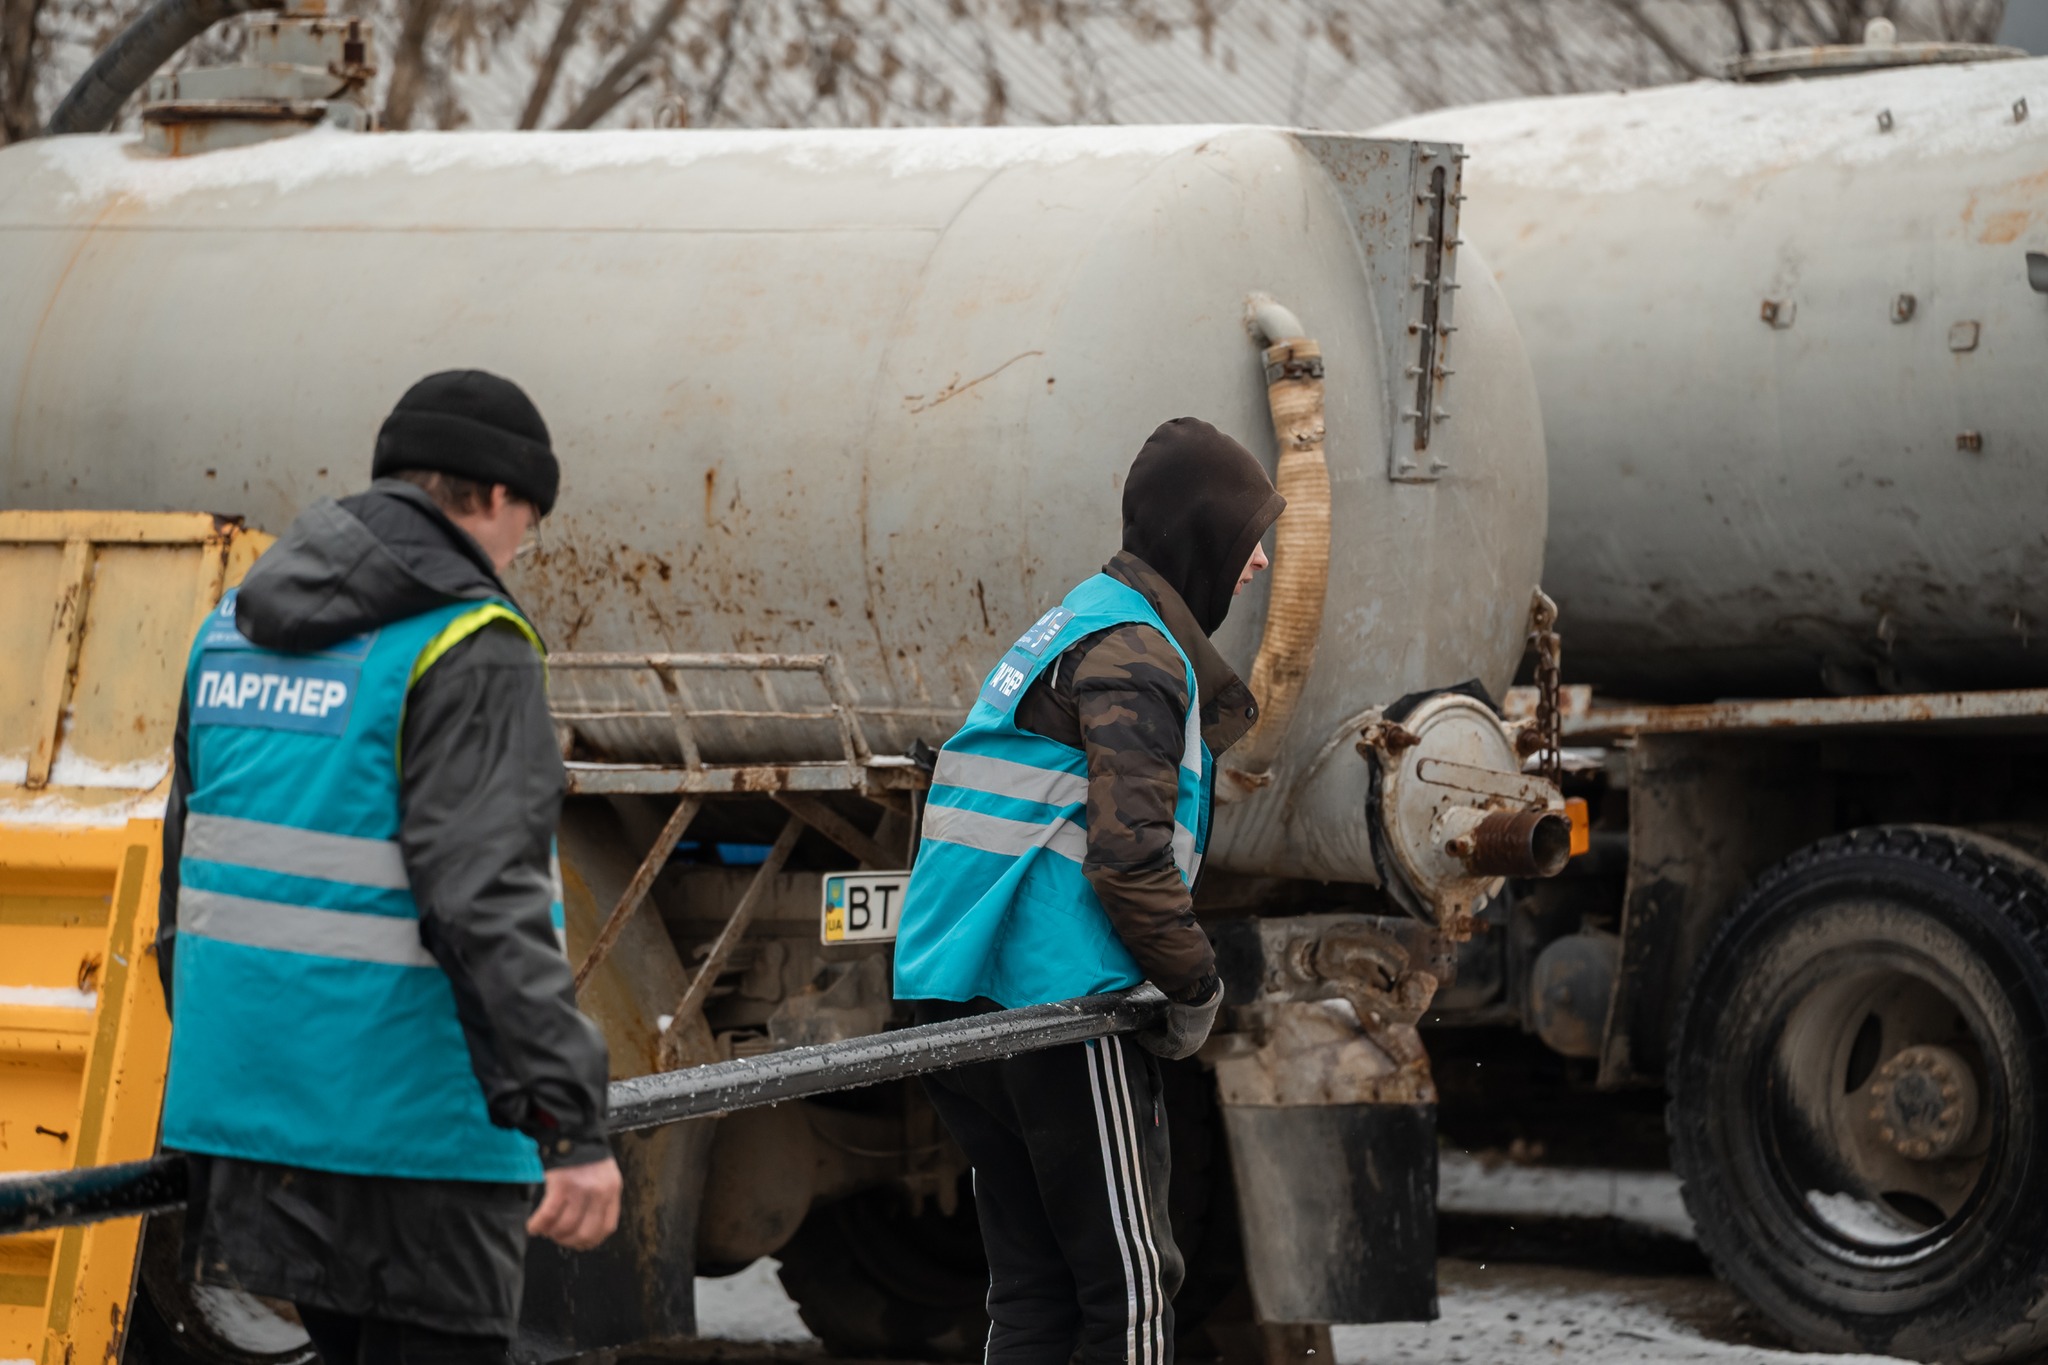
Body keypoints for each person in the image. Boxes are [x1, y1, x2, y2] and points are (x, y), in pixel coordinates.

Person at [155, 370, 622, 1365]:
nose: (518, 551)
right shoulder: (467, 643)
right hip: (414, 1134)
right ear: (495, 497)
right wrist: (569, 1125)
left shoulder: (226, 630)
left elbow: (182, 888)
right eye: (528, 524)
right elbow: (485, 904)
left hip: (252, 1119)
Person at [893, 416, 1285, 1365]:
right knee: (1129, 1292)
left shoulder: (1075, 621)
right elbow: (1129, 859)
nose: (1262, 561)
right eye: (1246, 537)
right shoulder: (1137, 655)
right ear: (1201, 536)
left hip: (957, 997)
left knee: (1034, 1292)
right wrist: (1195, 987)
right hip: (1058, 1004)